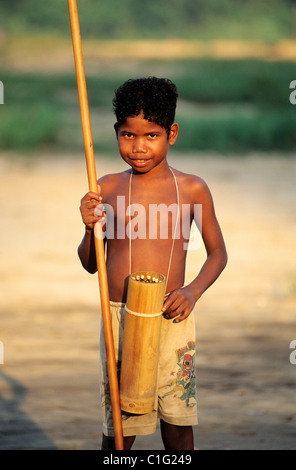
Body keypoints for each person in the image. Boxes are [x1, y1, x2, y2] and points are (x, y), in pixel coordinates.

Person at [78, 77, 227, 450]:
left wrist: (192, 291)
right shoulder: (107, 187)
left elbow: (218, 254)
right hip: (118, 317)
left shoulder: (191, 188)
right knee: (119, 425)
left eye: (151, 136)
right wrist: (88, 228)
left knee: (176, 423)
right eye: (128, 135)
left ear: (171, 133)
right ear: (116, 133)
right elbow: (90, 263)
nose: (139, 147)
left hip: (169, 316)